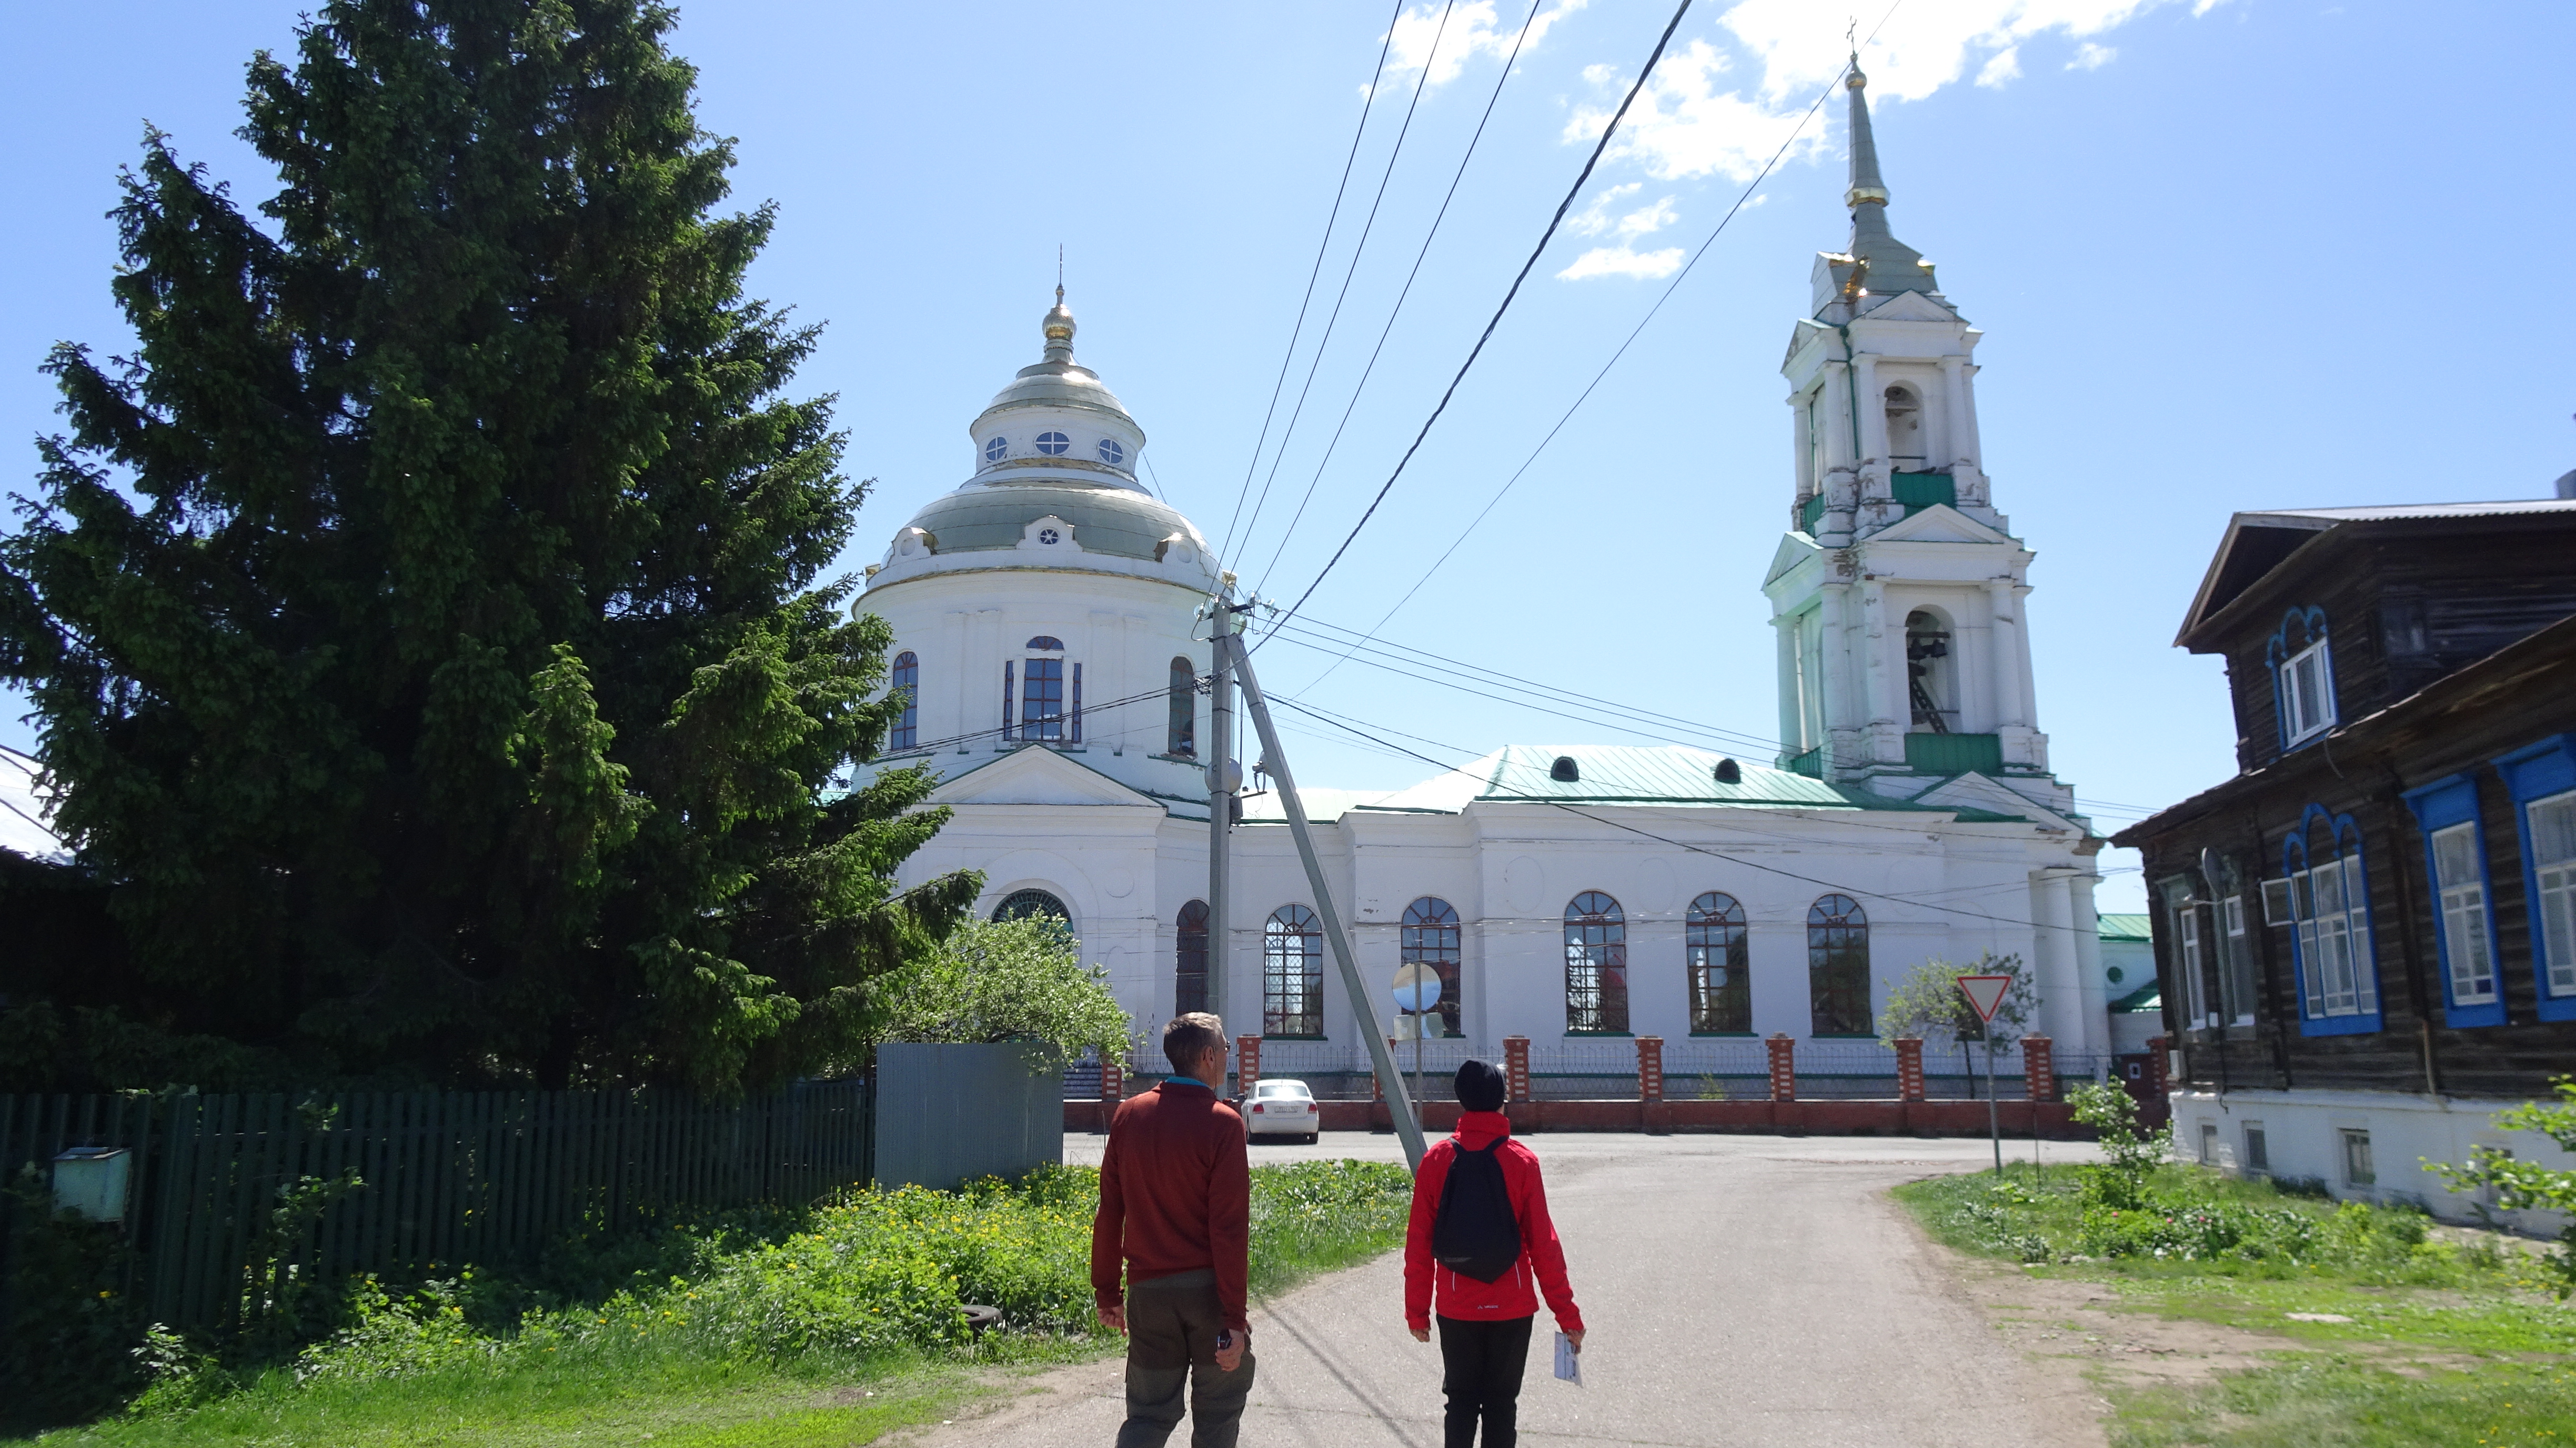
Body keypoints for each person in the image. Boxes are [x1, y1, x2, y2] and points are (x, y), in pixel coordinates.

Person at [1092, 1012, 1255, 1448]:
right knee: (1218, 1416)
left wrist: (1108, 1292)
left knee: (1147, 1416)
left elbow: (1110, 1212)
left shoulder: (1129, 1116)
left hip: (1149, 1296)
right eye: (1225, 1049)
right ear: (1208, 1057)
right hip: (1208, 1297)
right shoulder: (1223, 1123)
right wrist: (1234, 1319)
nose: (1228, 1056)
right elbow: (1229, 1229)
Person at [1405, 1059, 1583, 1448]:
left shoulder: (1436, 1161)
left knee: (1460, 1402)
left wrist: (1417, 1312)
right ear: (1503, 1100)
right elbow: (1545, 1246)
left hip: (1456, 1306)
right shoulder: (1522, 1161)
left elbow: (1418, 1244)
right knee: (1502, 1405)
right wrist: (1567, 1315)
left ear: (1461, 1101)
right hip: (1512, 1307)